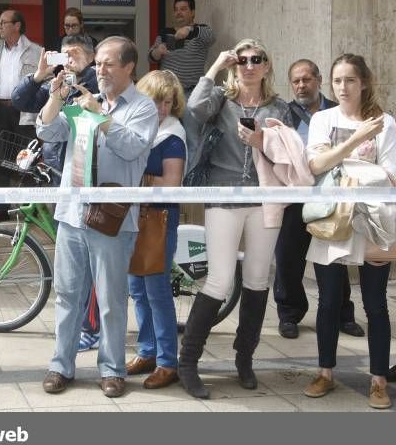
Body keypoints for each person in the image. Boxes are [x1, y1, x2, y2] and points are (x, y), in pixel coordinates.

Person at [38, 36, 158, 398]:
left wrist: (98, 115)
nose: (100, 70)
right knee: (67, 295)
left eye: (108, 64)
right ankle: (61, 365)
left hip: (112, 219)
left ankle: (112, 369)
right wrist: (56, 96)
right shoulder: (84, 99)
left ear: (128, 68)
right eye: (98, 64)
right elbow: (47, 130)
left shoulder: (143, 107)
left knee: (111, 299)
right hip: (73, 213)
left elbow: (133, 147)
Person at [179, 39, 291, 399]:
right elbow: (194, 107)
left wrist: (262, 142)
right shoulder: (222, 100)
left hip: (264, 198)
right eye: (242, 60)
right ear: (234, 65)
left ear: (267, 65)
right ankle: (188, 362)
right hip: (223, 195)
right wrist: (214, 67)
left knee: (258, 280)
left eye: (256, 59)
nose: (249, 65)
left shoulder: (279, 107)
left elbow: (289, 154)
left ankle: (245, 360)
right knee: (220, 279)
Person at [301, 54, 394, 410]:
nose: (342, 87)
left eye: (350, 80)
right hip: (331, 219)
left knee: (375, 304)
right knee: (327, 301)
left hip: (373, 220)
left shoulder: (385, 121)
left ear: (364, 82)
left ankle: (378, 381)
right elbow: (317, 165)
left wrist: (345, 163)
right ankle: (325, 373)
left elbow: (390, 174)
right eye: (337, 81)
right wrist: (356, 143)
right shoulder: (322, 118)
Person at [274, 59, 363, 339]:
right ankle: (289, 314)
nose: (301, 86)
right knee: (289, 257)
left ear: (319, 80)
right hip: (297, 197)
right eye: (296, 81)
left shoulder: (337, 111)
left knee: (336, 256)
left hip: (334, 195)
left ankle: (342, 315)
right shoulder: (285, 114)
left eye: (306, 79)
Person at [125, 70, 187, 389]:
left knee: (156, 290)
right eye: (156, 101)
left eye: (167, 102)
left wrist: (135, 180)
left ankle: (167, 362)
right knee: (137, 287)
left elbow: (171, 184)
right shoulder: (141, 128)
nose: (162, 108)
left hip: (159, 219)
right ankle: (148, 351)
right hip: (136, 218)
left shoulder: (172, 136)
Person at [0, 9, 43, 222]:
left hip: (24, 112)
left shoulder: (36, 51)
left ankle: (29, 210)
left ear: (17, 26)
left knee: (26, 160)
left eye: (4, 22)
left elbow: (44, 81)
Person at [11, 34, 98, 184]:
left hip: (85, 169)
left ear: (91, 57)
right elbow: (19, 101)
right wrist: (38, 76)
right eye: (65, 55)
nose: (69, 59)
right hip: (55, 169)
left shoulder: (99, 83)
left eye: (75, 53)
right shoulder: (57, 84)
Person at [149, 0, 215, 158]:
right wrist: (158, 52)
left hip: (190, 95)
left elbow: (212, 37)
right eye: (176, 10)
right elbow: (150, 57)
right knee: (161, 136)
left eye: (183, 9)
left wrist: (190, 30)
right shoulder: (165, 33)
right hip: (165, 96)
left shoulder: (200, 32)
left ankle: (189, 182)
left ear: (193, 12)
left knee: (193, 140)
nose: (179, 13)